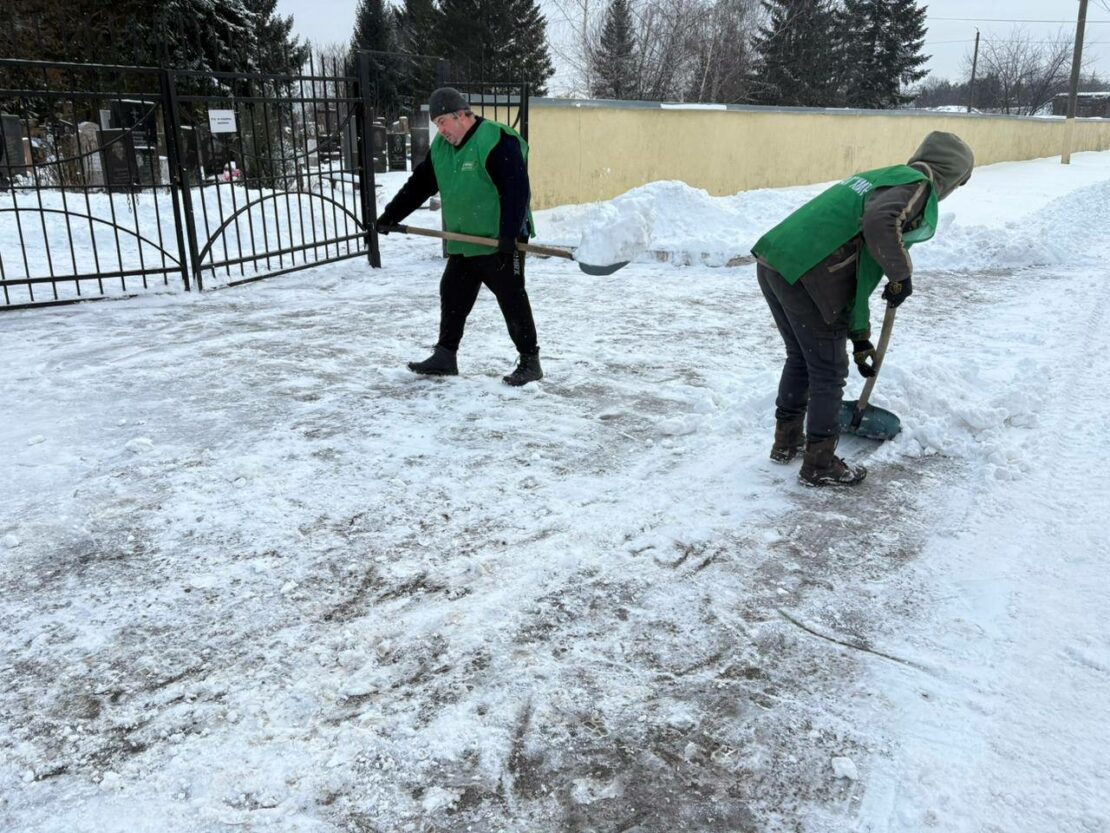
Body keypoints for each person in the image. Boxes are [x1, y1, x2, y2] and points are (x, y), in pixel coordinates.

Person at [751, 131, 974, 487]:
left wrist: (860, 338)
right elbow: (879, 225)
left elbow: (861, 270)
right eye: (958, 183)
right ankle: (819, 464)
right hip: (808, 274)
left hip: (776, 260)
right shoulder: (918, 185)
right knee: (828, 370)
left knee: (801, 357)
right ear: (949, 174)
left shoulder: (886, 176)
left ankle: (787, 442)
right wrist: (901, 275)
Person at [375, 87, 543, 386]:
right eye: (436, 123)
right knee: (452, 291)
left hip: (500, 240)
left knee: (511, 297)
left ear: (462, 115)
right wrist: (390, 215)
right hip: (466, 239)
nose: (440, 129)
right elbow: (420, 185)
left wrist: (509, 237)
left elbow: (516, 190)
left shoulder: (496, 139)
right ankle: (445, 355)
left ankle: (530, 361)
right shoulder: (441, 148)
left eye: (443, 122)